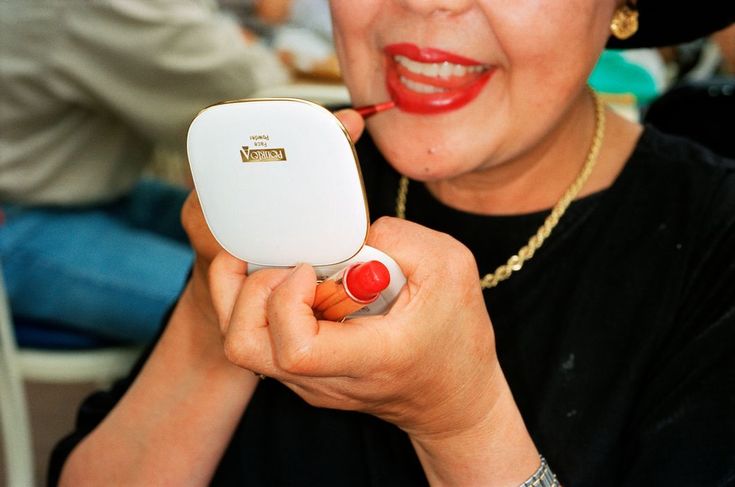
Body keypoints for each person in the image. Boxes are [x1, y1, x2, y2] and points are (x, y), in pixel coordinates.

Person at [51, 1, 735, 485]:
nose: (425, 0)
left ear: (622, 7)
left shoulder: (712, 244)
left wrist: (461, 425)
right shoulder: (304, 190)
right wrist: (214, 305)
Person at [0, 0, 289, 344]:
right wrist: (258, 40)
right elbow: (237, 89)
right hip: (21, 218)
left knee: (279, 254)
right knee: (265, 314)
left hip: (87, 188)